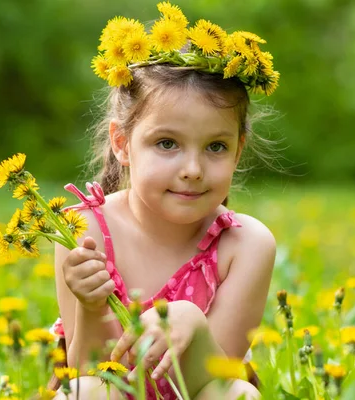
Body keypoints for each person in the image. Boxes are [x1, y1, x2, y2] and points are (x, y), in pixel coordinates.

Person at [52, 2, 280, 399]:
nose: (193, 168)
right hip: (106, 389)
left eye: (215, 146)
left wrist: (192, 322)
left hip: (198, 388)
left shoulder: (246, 246)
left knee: (239, 394)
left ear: (238, 151)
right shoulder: (85, 231)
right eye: (167, 143)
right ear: (122, 144)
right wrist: (90, 305)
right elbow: (86, 372)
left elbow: (216, 380)